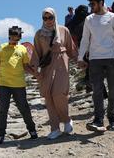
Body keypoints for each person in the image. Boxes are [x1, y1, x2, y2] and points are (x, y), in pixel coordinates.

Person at [78, 0, 114, 132]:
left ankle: (112, 118)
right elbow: (85, 39)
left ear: (101, 2)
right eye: (90, 4)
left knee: (113, 90)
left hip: (112, 57)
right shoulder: (89, 19)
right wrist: (81, 58)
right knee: (97, 91)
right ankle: (98, 120)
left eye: (93, 4)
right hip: (95, 59)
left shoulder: (113, 17)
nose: (91, 7)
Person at [30, 8, 77, 140]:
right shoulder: (39, 34)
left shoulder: (63, 30)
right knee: (48, 96)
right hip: (47, 67)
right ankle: (55, 128)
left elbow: (70, 47)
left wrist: (79, 60)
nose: (48, 21)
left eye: (50, 17)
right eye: (45, 18)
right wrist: (35, 69)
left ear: (55, 17)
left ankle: (66, 120)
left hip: (62, 63)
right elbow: (36, 53)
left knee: (59, 93)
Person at [0, 26, 38, 144]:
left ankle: (32, 130)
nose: (15, 39)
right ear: (9, 36)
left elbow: (25, 65)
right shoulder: (1, 48)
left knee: (24, 108)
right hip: (3, 84)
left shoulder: (22, 49)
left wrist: (36, 74)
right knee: (2, 109)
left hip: (18, 83)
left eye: (17, 37)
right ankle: (0, 134)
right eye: (13, 37)